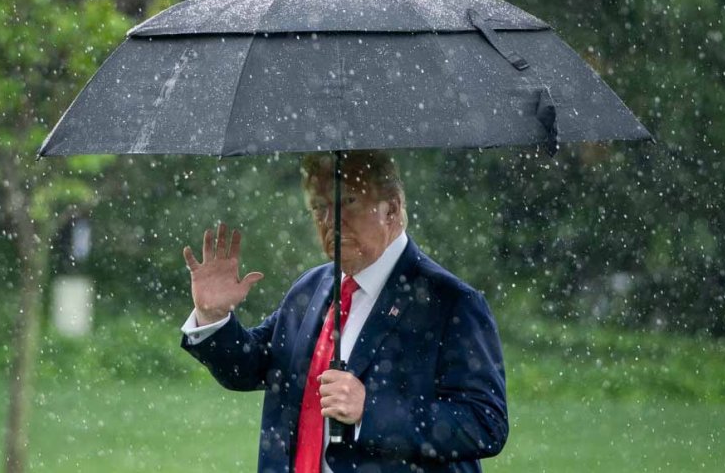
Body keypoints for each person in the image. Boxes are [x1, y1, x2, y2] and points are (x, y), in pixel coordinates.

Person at [180, 151, 508, 473]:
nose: (330, 220)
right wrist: (213, 316)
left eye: (348, 201)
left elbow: (485, 423)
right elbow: (251, 367)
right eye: (320, 207)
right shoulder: (310, 288)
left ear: (391, 209)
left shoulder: (450, 302)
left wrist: (371, 409)